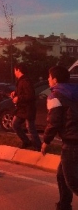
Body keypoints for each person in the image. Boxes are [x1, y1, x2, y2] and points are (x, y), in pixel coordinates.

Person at [41, 65, 78, 210]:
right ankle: (64, 205)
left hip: (72, 142)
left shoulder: (55, 95)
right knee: (62, 175)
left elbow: (54, 122)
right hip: (74, 140)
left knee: (73, 181)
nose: (48, 79)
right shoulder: (74, 91)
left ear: (54, 80)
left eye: (49, 77)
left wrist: (46, 141)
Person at [11, 63, 41, 151]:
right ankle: (26, 141)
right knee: (15, 124)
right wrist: (15, 93)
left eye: (15, 71)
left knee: (30, 127)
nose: (14, 73)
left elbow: (30, 95)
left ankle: (38, 146)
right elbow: (22, 92)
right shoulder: (21, 81)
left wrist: (18, 98)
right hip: (22, 109)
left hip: (28, 108)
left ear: (18, 70)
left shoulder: (25, 81)